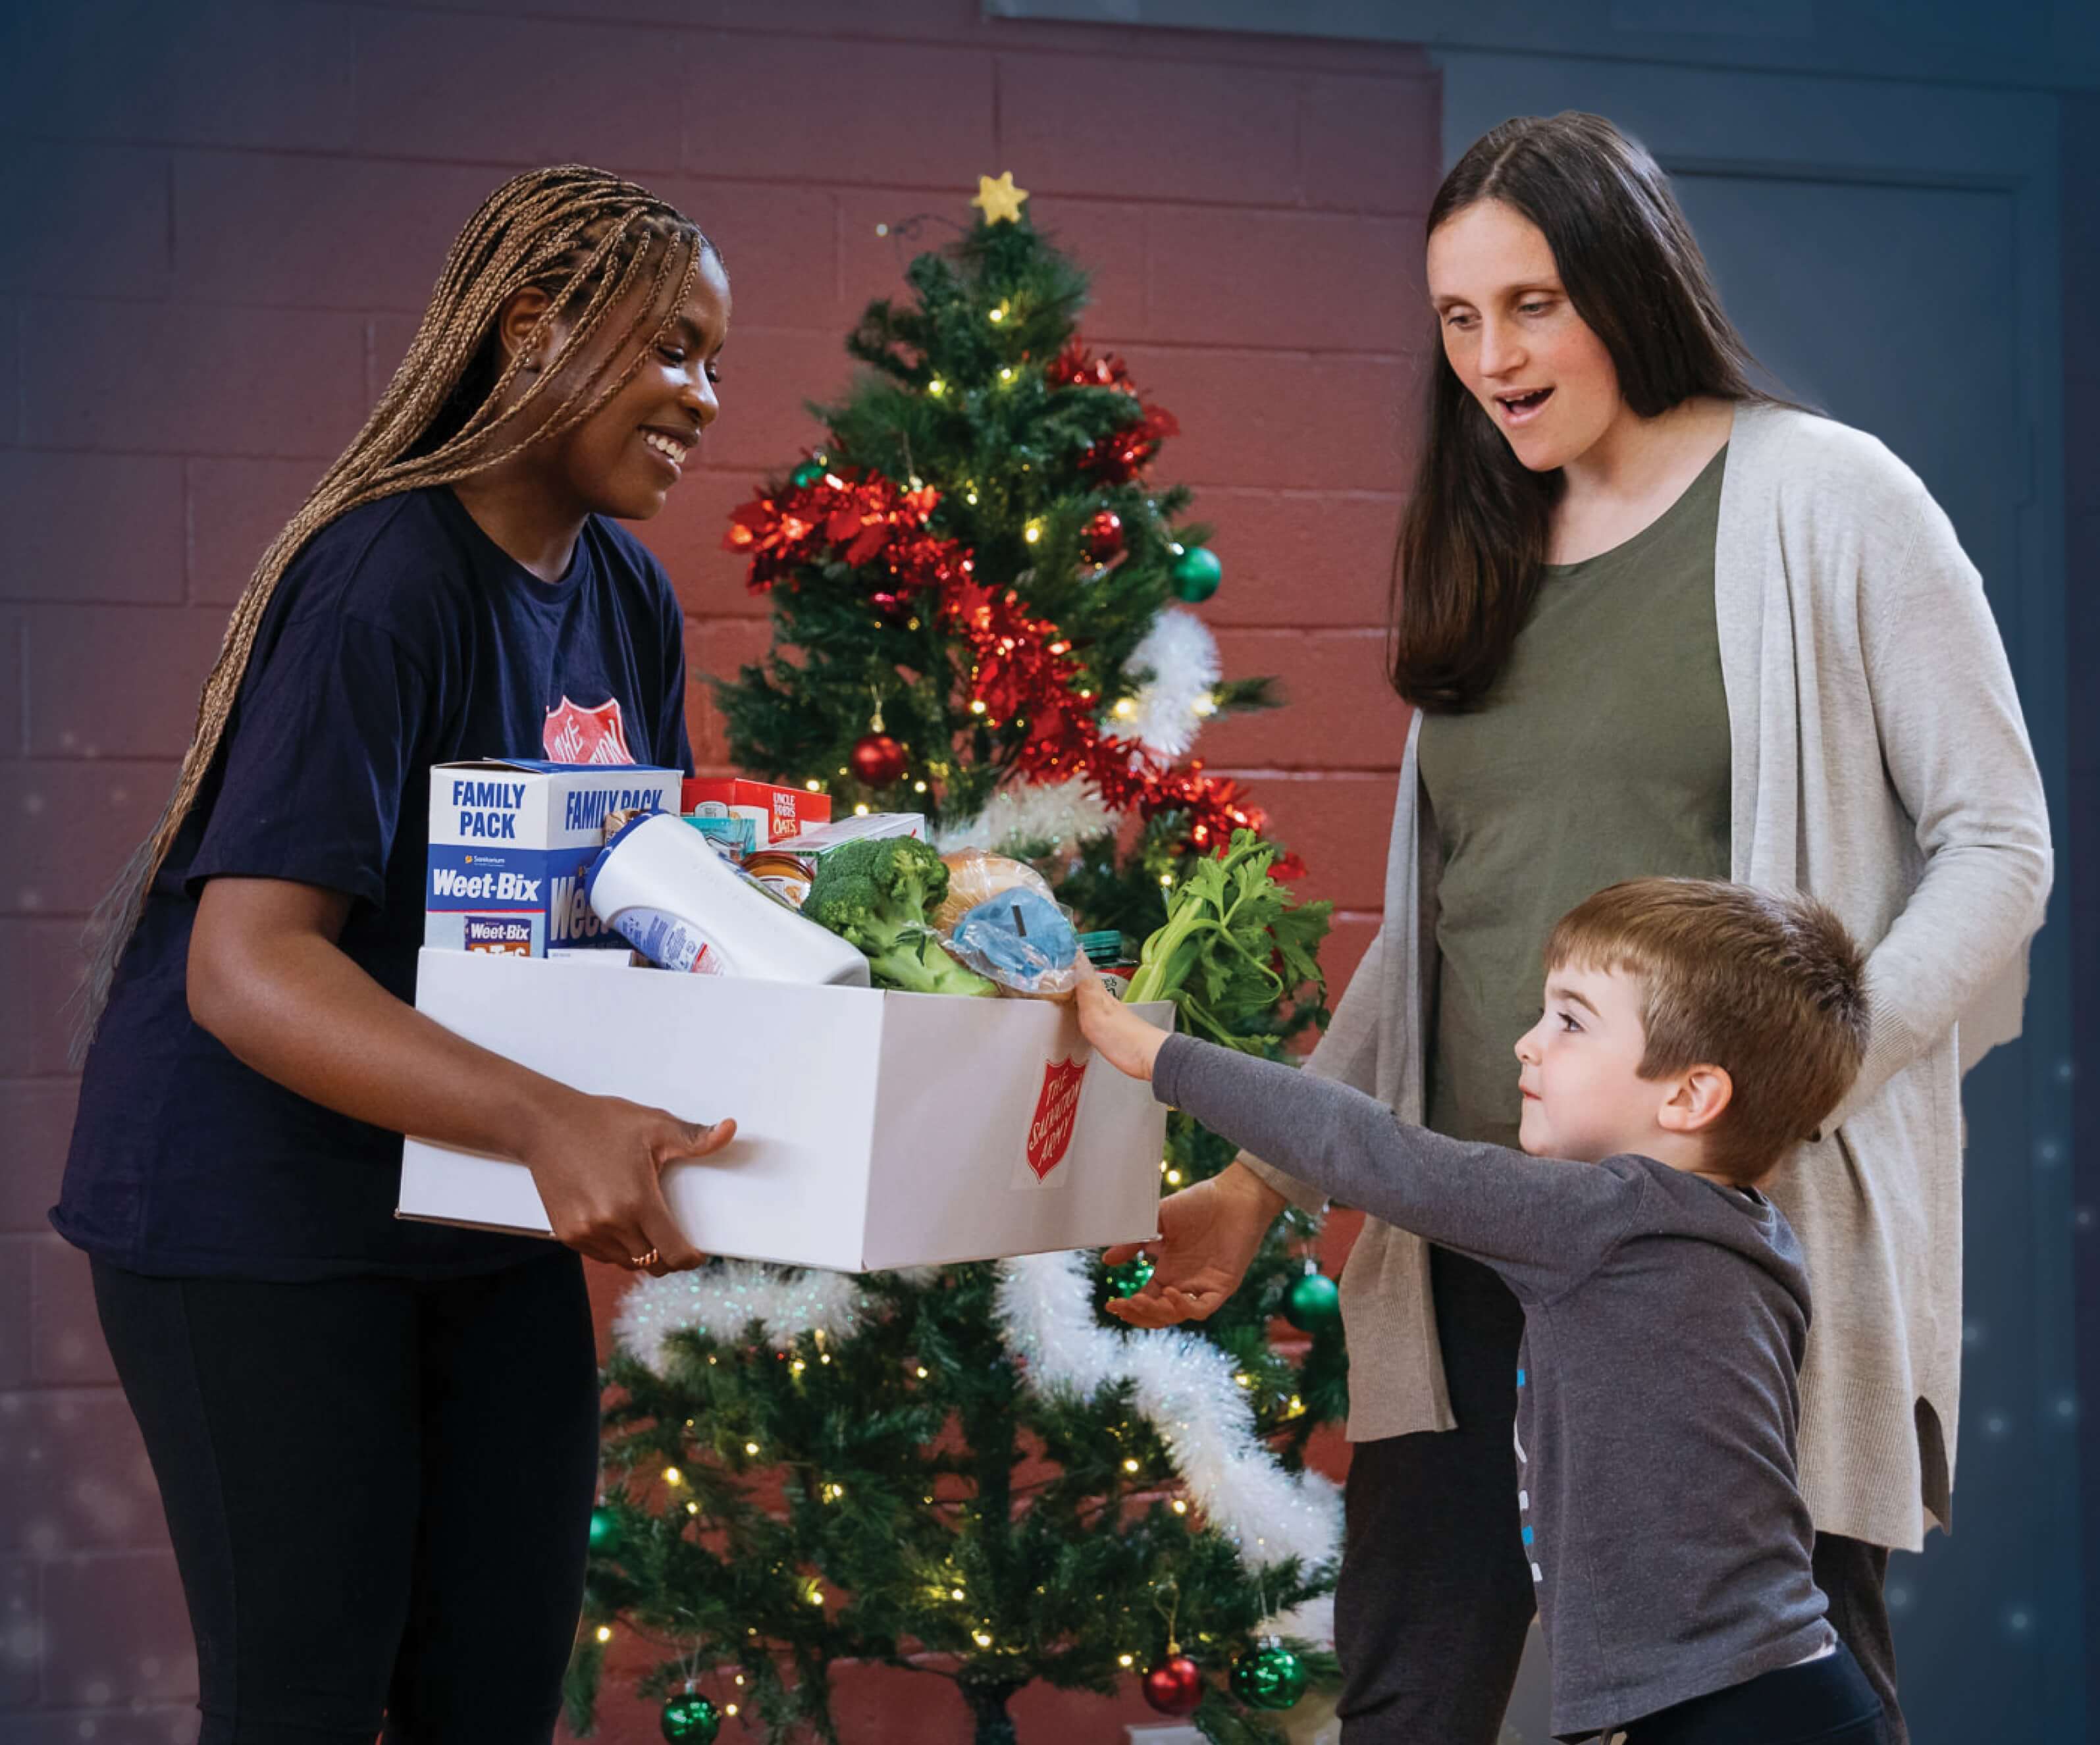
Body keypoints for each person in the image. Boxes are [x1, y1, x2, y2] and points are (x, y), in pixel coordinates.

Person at [1095, 113, 2052, 1745]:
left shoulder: (1824, 502)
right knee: (1409, 1695)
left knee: (1769, 1689)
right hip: (1469, 1238)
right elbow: (1433, 934)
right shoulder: (1489, 548)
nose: (1491, 357)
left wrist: (1804, 1069)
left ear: (1625, 279)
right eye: (1457, 321)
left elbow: (1997, 842)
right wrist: (1264, 1178)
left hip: (1697, 1257)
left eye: (1529, 305)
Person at [52, 165, 735, 1744]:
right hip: (258, 1217)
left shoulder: (626, 595)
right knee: (303, 1705)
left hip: (474, 1208)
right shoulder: (383, 580)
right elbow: (248, 966)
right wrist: (547, 1120)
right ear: (530, 332)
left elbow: (635, 898)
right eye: (671, 350)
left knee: (489, 1699)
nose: (700, 399)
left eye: (713, 365)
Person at [1078, 878, 1885, 1744]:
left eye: (1570, 1023)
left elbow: (1370, 1153)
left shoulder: (1603, 1216)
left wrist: (1152, 1053)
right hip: (1777, 1693)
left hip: (1734, 1710)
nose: (1527, 1045)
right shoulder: (1745, 1232)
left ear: (1687, 1097)